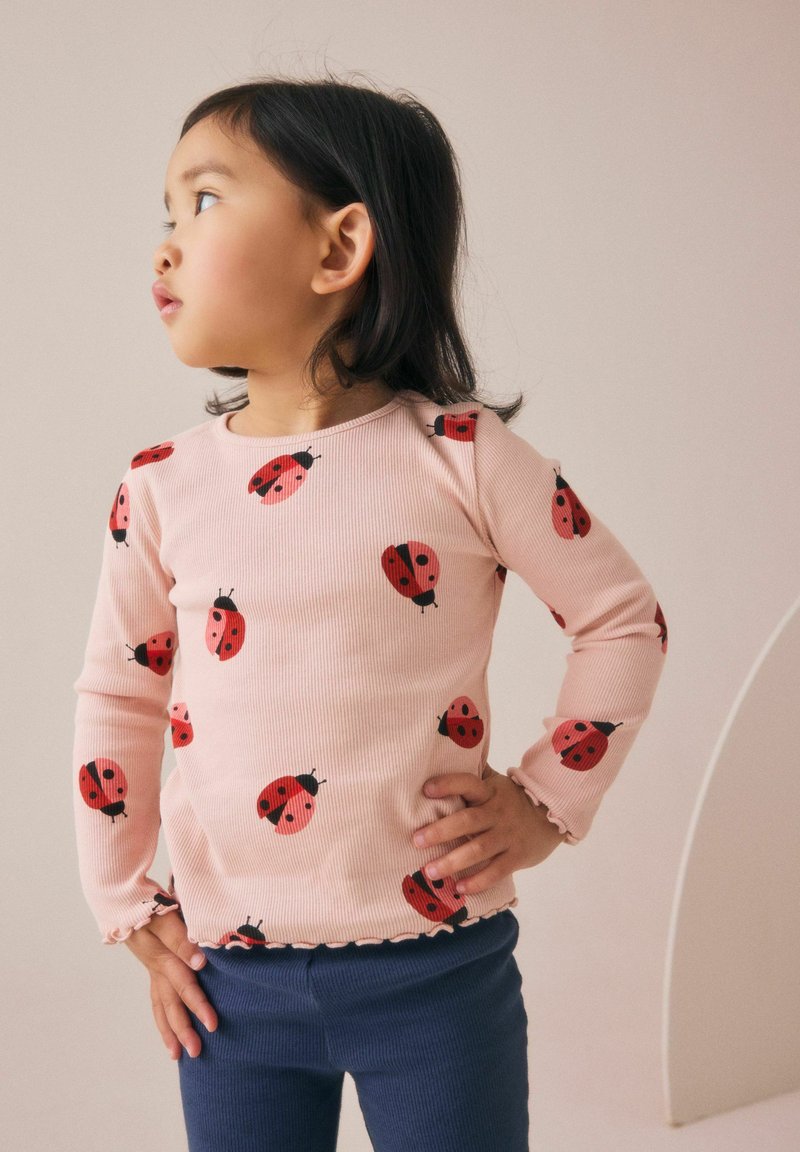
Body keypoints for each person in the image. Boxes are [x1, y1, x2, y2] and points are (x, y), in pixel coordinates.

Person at [71, 75, 669, 1152]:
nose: (164, 247)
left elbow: (622, 620)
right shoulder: (159, 487)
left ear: (340, 247)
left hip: (435, 974)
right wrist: (125, 903)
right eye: (165, 215)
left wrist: (546, 801)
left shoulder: (466, 459)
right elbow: (119, 692)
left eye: (203, 201)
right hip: (226, 985)